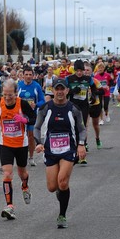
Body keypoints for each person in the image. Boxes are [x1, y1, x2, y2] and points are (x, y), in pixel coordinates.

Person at [34, 78, 87, 228]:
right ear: (53, 91)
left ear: (67, 91)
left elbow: (82, 129)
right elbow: (37, 127)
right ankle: (60, 193)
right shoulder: (46, 108)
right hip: (50, 150)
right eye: (57, 89)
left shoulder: (74, 109)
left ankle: (62, 215)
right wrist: (38, 142)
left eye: (62, 89)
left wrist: (81, 145)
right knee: (52, 187)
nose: (59, 92)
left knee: (62, 181)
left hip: (68, 149)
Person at [0, 79, 36, 220]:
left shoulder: (22, 103)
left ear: (16, 93)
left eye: (10, 95)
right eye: (5, 94)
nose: (7, 98)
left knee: (22, 173)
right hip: (6, 144)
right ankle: (10, 206)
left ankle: (25, 187)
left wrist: (24, 120)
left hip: (21, 144)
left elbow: (33, 118)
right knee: (7, 174)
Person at [17, 65, 45, 166]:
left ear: (33, 76)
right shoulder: (19, 85)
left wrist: (36, 105)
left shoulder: (36, 86)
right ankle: (22, 155)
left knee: (31, 136)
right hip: (21, 115)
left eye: (30, 75)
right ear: (23, 76)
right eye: (26, 75)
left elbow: (42, 100)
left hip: (33, 115)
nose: (28, 76)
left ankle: (31, 157)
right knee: (20, 136)